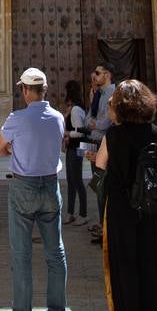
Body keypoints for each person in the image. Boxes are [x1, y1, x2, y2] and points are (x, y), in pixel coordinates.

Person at [89, 79, 157, 311]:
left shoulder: (114, 135)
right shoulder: (155, 132)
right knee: (148, 259)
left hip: (121, 206)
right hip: (148, 205)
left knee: (123, 262)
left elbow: (101, 165)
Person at [0, 68, 67, 311]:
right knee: (55, 253)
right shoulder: (58, 117)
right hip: (50, 186)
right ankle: (57, 307)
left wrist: (13, 150)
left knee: (21, 256)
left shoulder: (17, 118)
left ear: (25, 90)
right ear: (44, 90)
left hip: (24, 187)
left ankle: (22, 308)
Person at [86, 64, 116, 240]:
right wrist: (95, 122)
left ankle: (107, 226)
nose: (94, 76)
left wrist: (95, 122)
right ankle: (101, 222)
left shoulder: (113, 94)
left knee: (104, 185)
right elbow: (87, 118)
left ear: (107, 74)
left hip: (102, 142)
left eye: (97, 73)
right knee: (97, 184)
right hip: (92, 141)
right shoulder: (97, 94)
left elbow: (105, 123)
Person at [61, 79, 90, 226]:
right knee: (71, 181)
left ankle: (83, 214)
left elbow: (79, 132)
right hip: (73, 148)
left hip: (77, 148)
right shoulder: (73, 109)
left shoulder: (76, 110)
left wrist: (67, 133)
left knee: (77, 180)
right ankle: (70, 213)